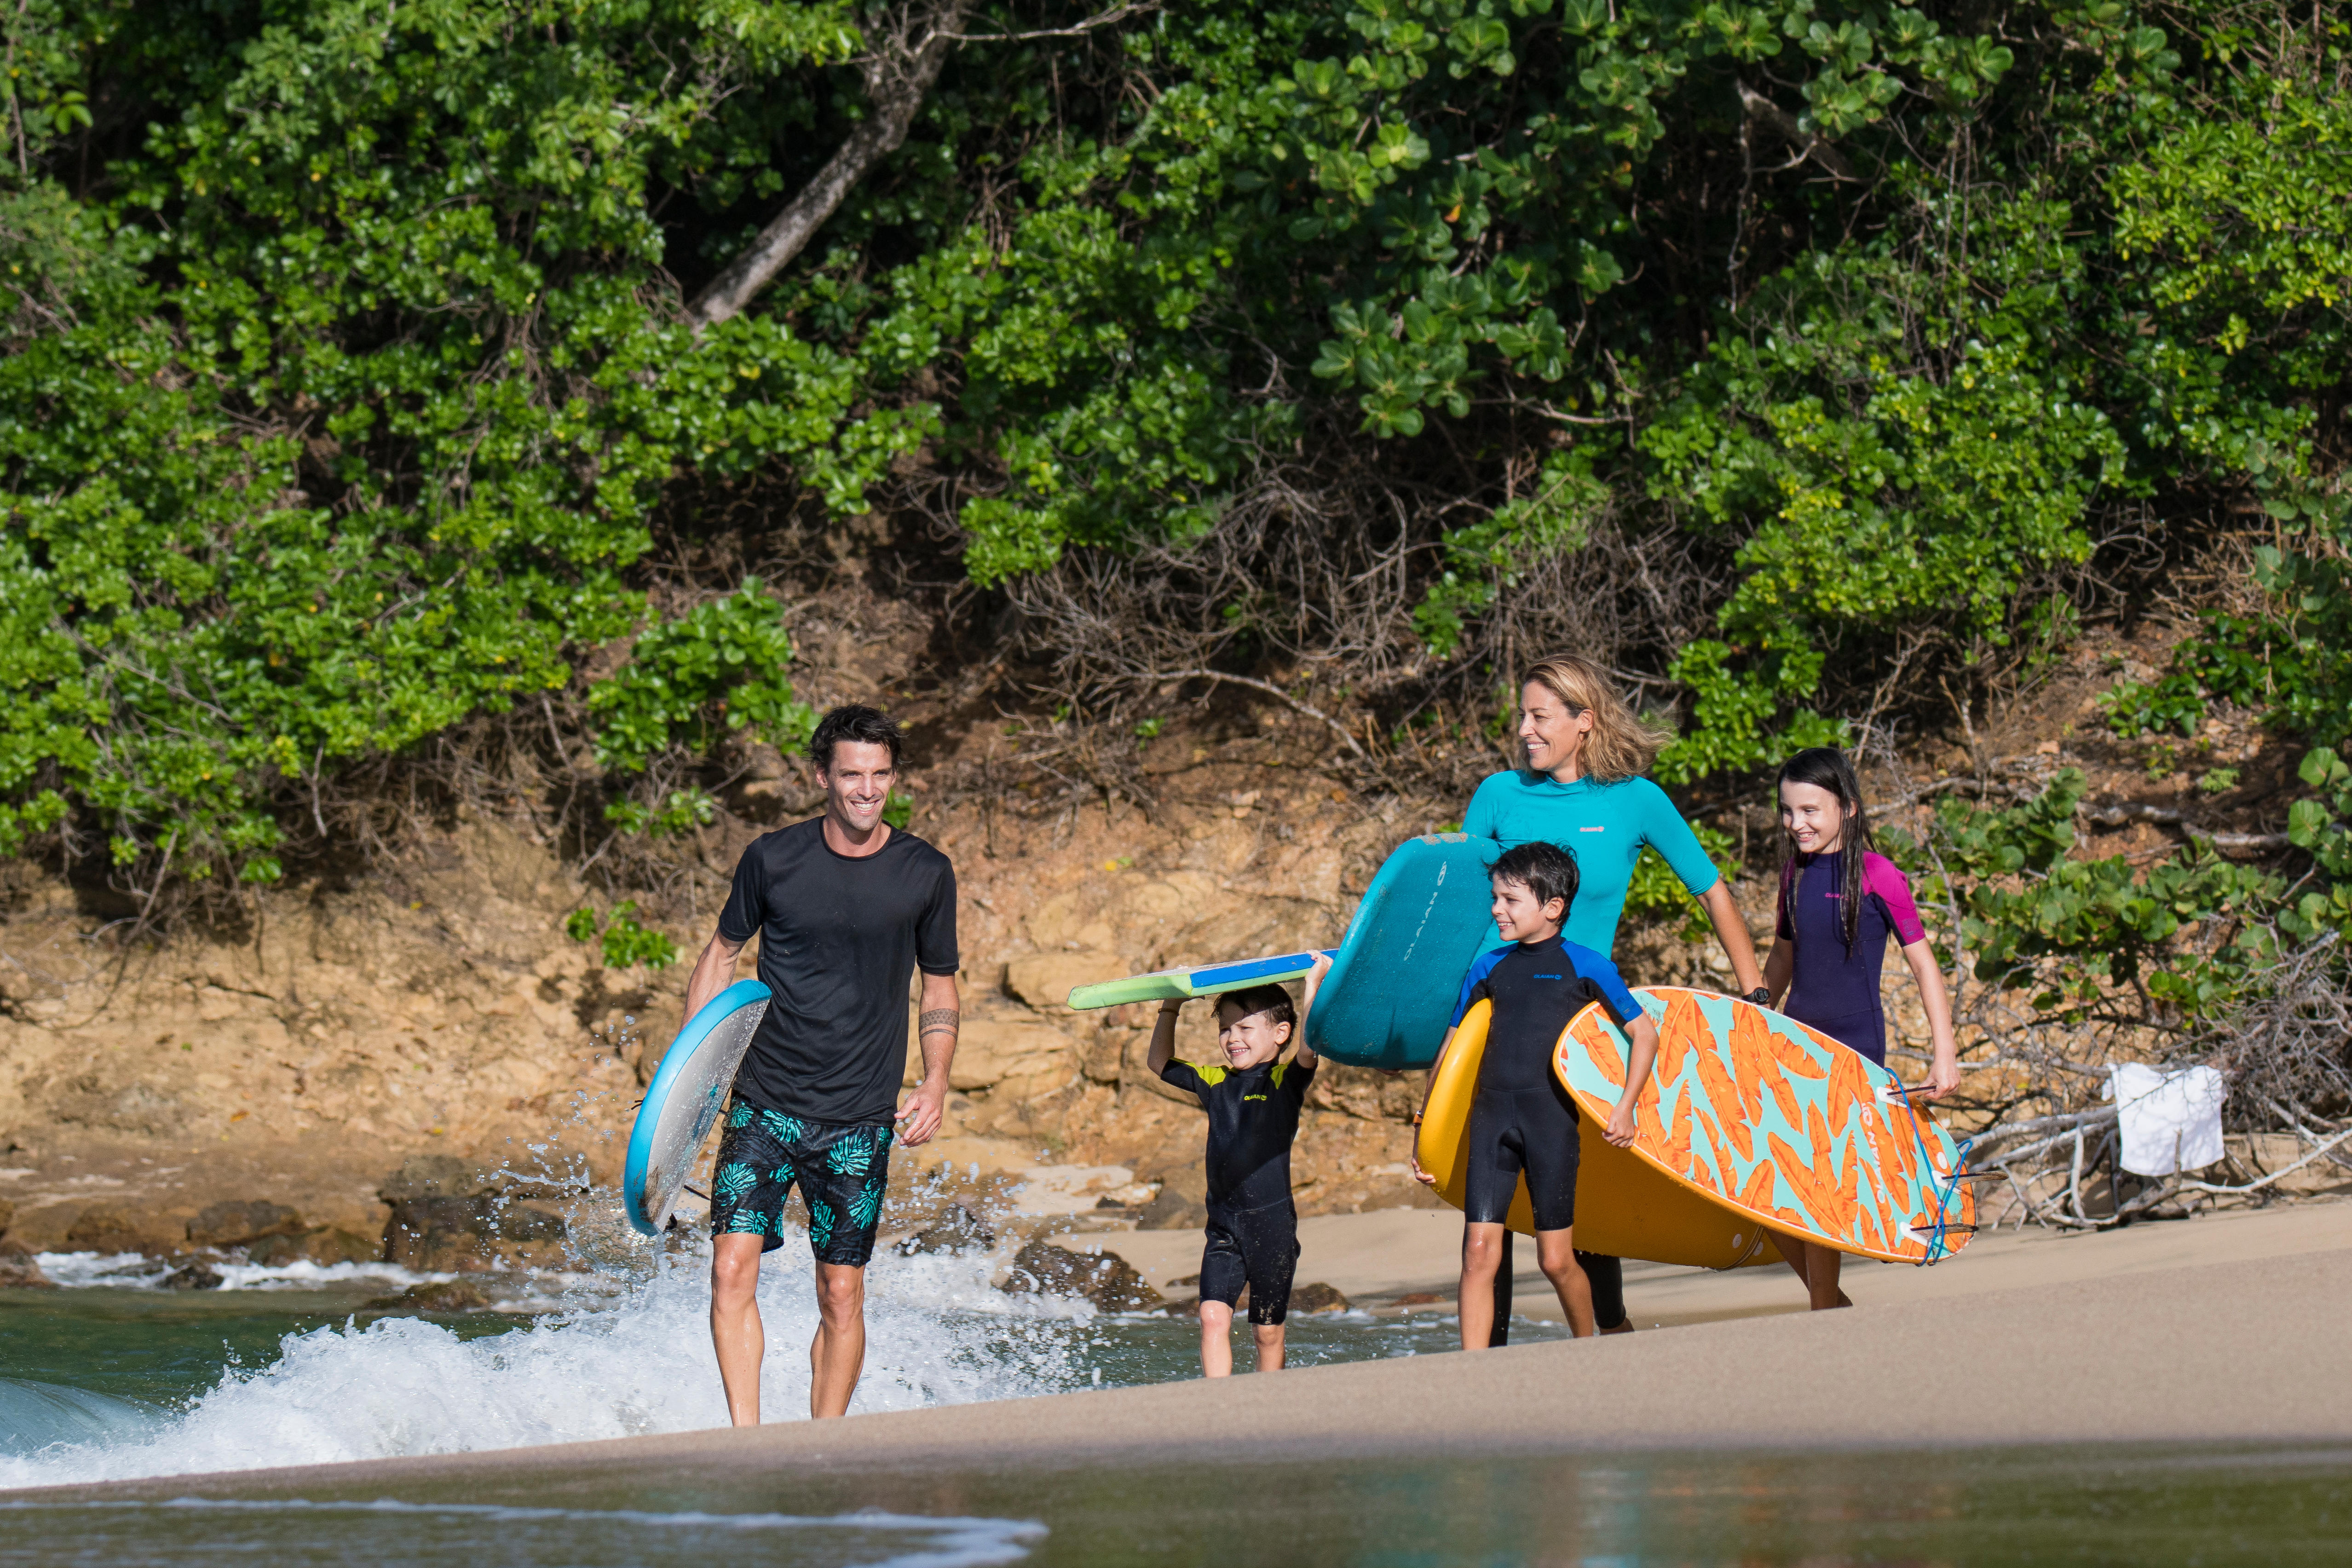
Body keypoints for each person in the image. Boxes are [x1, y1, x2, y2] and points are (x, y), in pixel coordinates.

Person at [1458, 653, 1766, 1335]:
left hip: (1580, 1016)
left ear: (1584, 722)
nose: (1526, 730)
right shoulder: (1498, 795)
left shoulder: (1634, 800)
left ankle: (1611, 1332)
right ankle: (1488, 1355)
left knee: (1578, 1180)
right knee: (1494, 1201)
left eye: (1541, 717)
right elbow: (1458, 900)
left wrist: (1756, 990)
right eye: (1524, 715)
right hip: (1494, 1008)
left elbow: (1711, 889)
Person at [679, 704, 960, 1422]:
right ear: (821, 778)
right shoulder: (774, 859)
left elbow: (940, 984)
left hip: (861, 1114)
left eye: (880, 774)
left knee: (840, 1291)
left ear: (893, 777)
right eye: (851, 775)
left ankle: (823, 1440)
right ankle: (746, 1438)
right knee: (729, 1268)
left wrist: (935, 1080)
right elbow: (721, 956)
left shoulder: (925, 872)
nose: (867, 790)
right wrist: (690, 1075)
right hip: (764, 1098)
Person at [1410, 842, 1659, 1345]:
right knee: (1479, 1252)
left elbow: (1646, 1033)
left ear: (1553, 908)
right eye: (1495, 898)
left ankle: (1585, 1347)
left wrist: (1626, 1107)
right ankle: (1473, 1372)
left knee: (1555, 1259)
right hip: (1492, 1119)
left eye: (1510, 899)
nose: (1497, 909)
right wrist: (1424, 1125)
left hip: (1551, 1124)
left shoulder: (1586, 967)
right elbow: (1452, 1049)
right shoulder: (1489, 967)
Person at [1761, 745, 1961, 1310]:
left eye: (1809, 811)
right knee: (1771, 1185)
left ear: (1846, 808)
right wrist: (1747, 1017)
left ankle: (1824, 1307)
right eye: (1787, 812)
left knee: (1821, 1182)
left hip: (1854, 1049)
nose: (1795, 824)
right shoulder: (1792, 876)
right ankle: (1831, 1300)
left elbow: (1924, 965)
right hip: (1795, 1042)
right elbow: (1782, 960)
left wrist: (1945, 1055)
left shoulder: (1879, 876)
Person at [1146, 960, 1328, 1378]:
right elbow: (1160, 1063)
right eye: (1225, 1029)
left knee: (1267, 1333)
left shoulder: (1284, 1082)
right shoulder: (1214, 1081)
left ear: (1280, 1034)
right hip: (1224, 1225)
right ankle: (1219, 1407)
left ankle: (1270, 1408)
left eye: (1244, 1029)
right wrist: (1171, 1005)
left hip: (1272, 1228)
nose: (1232, 1038)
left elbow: (1310, 1047)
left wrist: (1313, 984)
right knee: (1212, 1318)